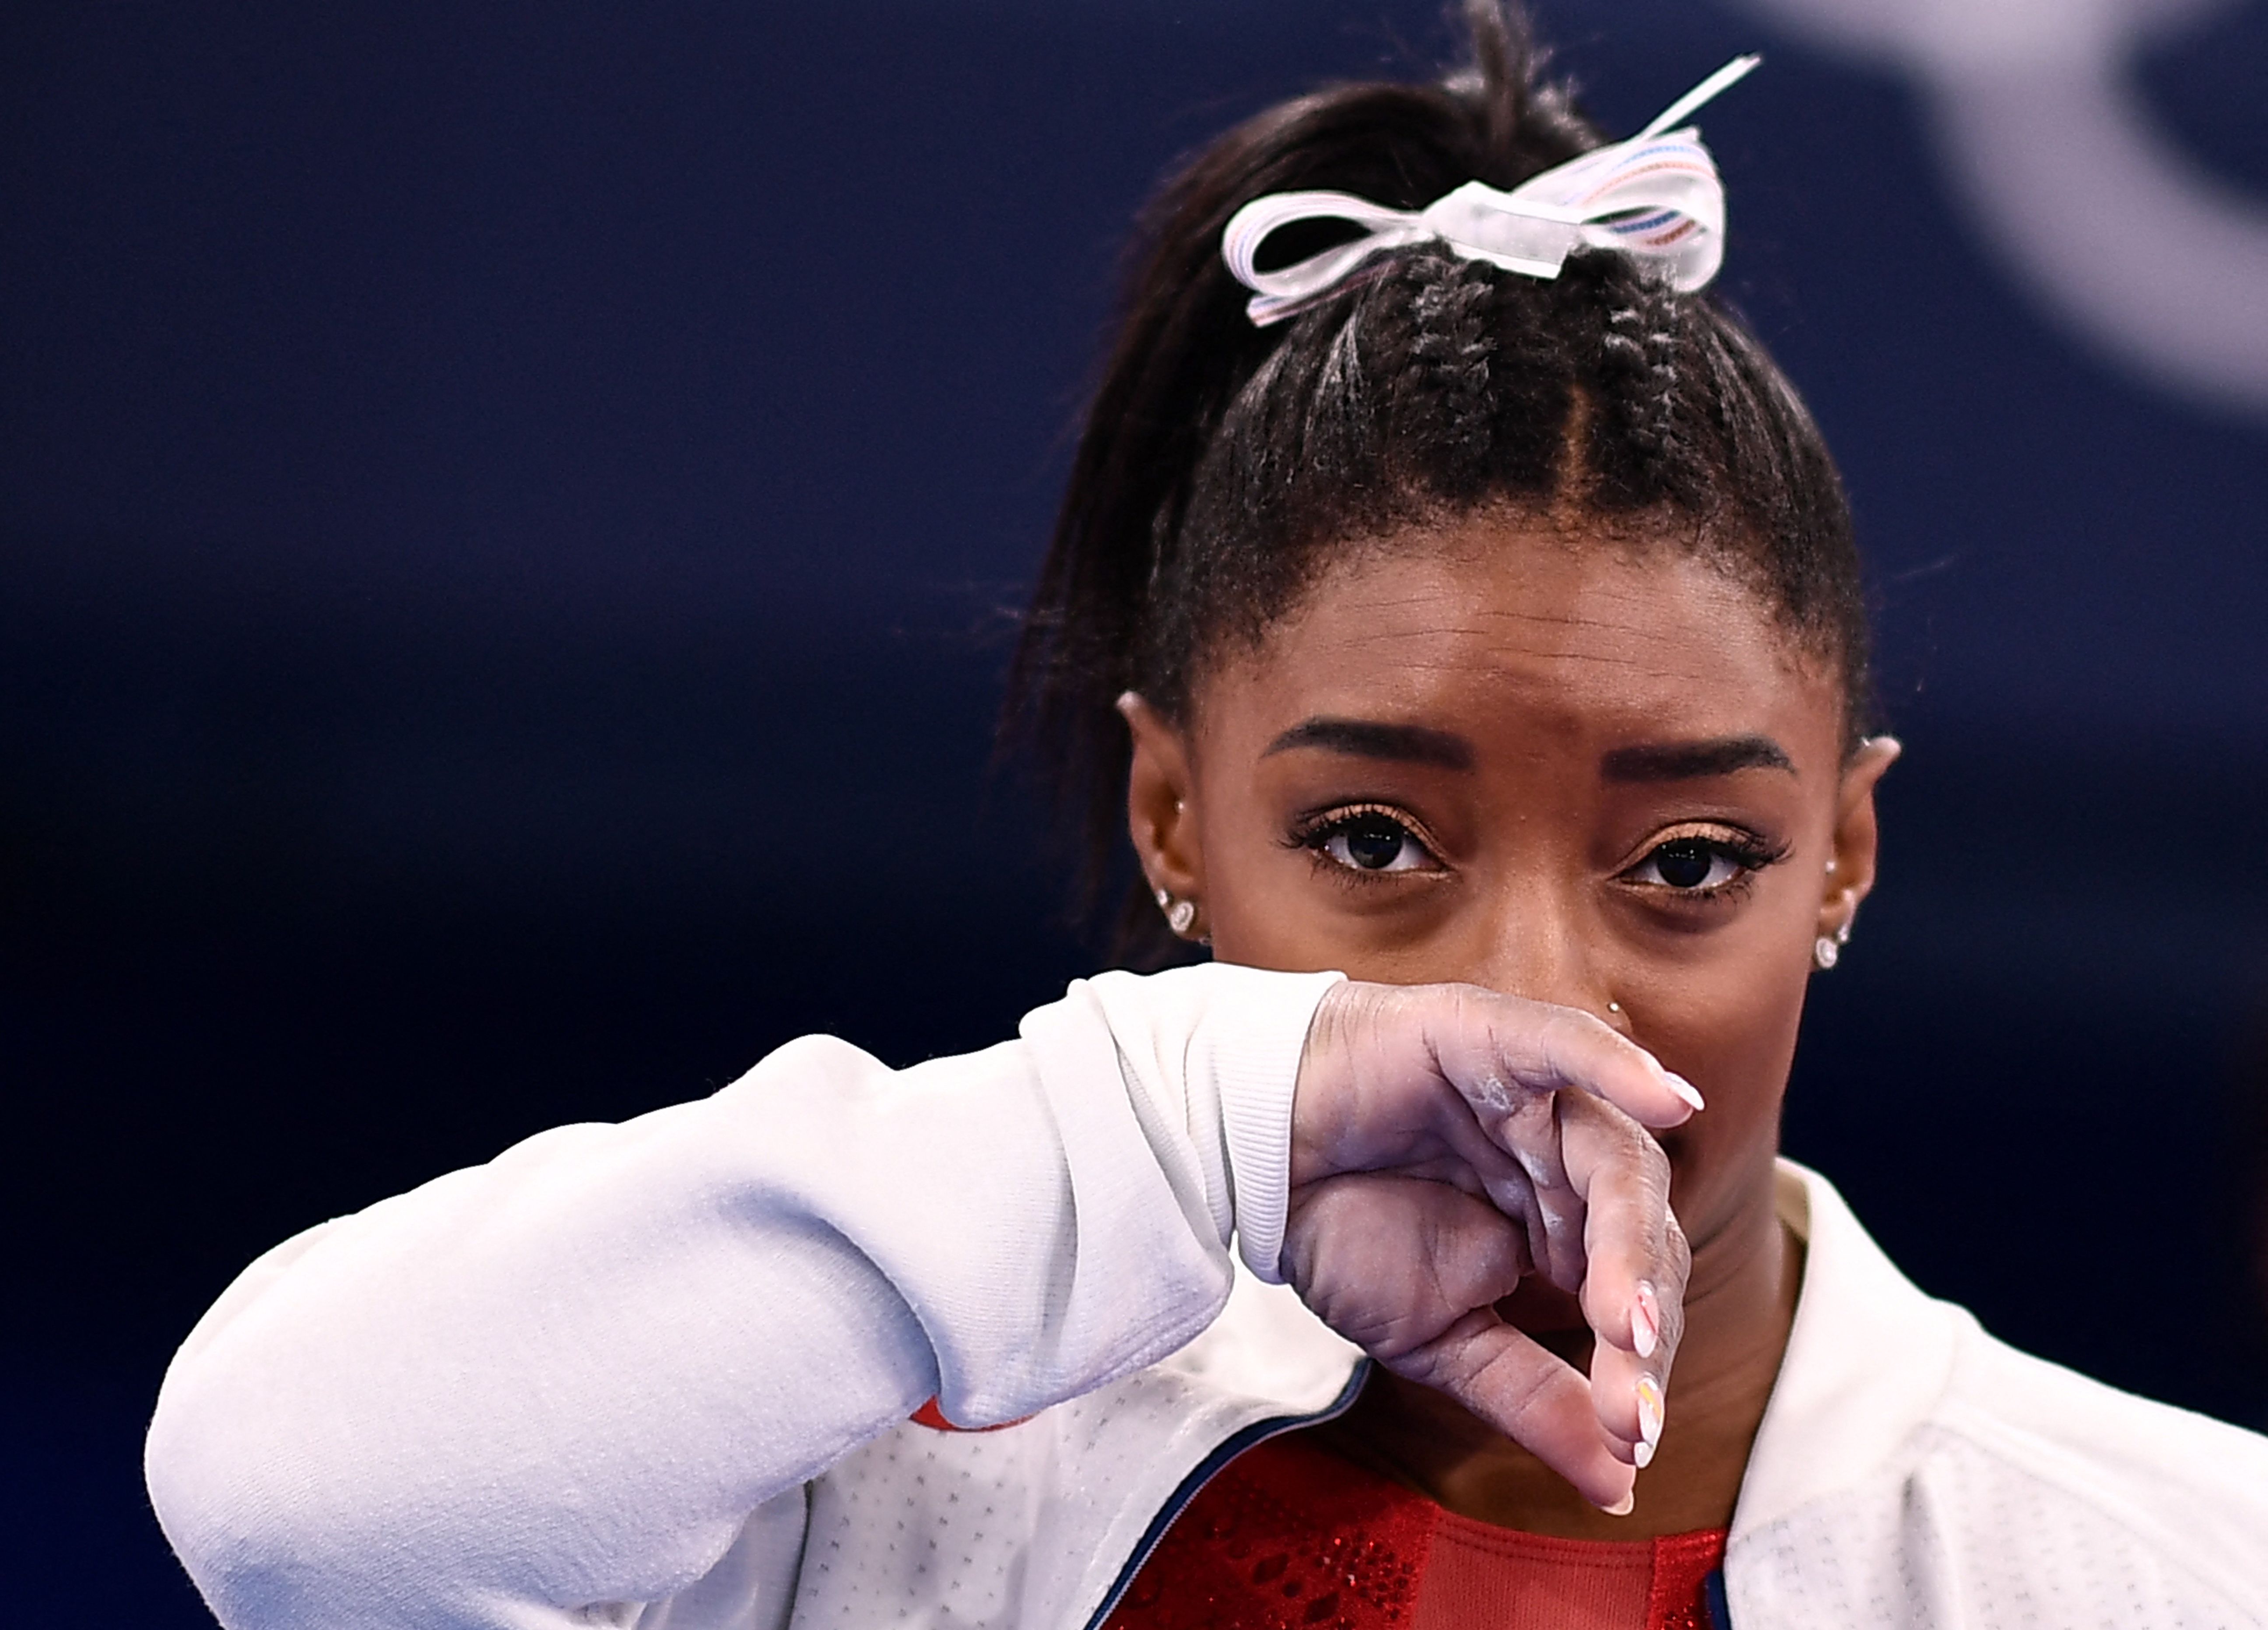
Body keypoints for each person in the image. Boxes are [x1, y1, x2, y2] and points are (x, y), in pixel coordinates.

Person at [143, 7, 2268, 1627]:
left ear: (1848, 861)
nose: (1533, 995)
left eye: (1688, 864)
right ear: (1172, 809)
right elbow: (284, 1494)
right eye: (1369, 842)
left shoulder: (2178, 1565)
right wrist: (1158, 1129)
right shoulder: (869, 1461)